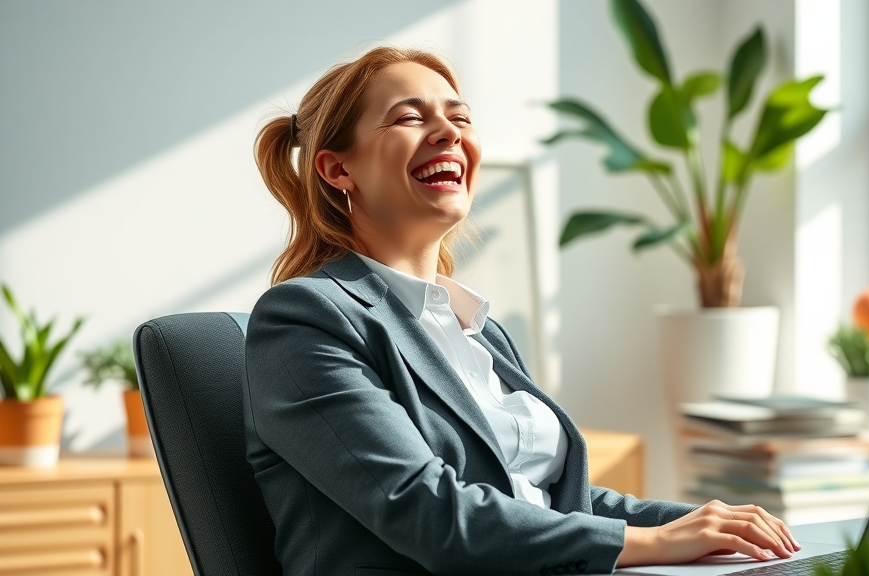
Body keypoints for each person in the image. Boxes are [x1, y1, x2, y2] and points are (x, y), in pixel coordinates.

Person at [247, 46, 800, 576]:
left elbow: (558, 501)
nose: (449, 132)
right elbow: (429, 516)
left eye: (460, 117)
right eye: (410, 119)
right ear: (337, 170)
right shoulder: (304, 319)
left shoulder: (476, 330)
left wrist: (705, 525)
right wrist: (656, 543)